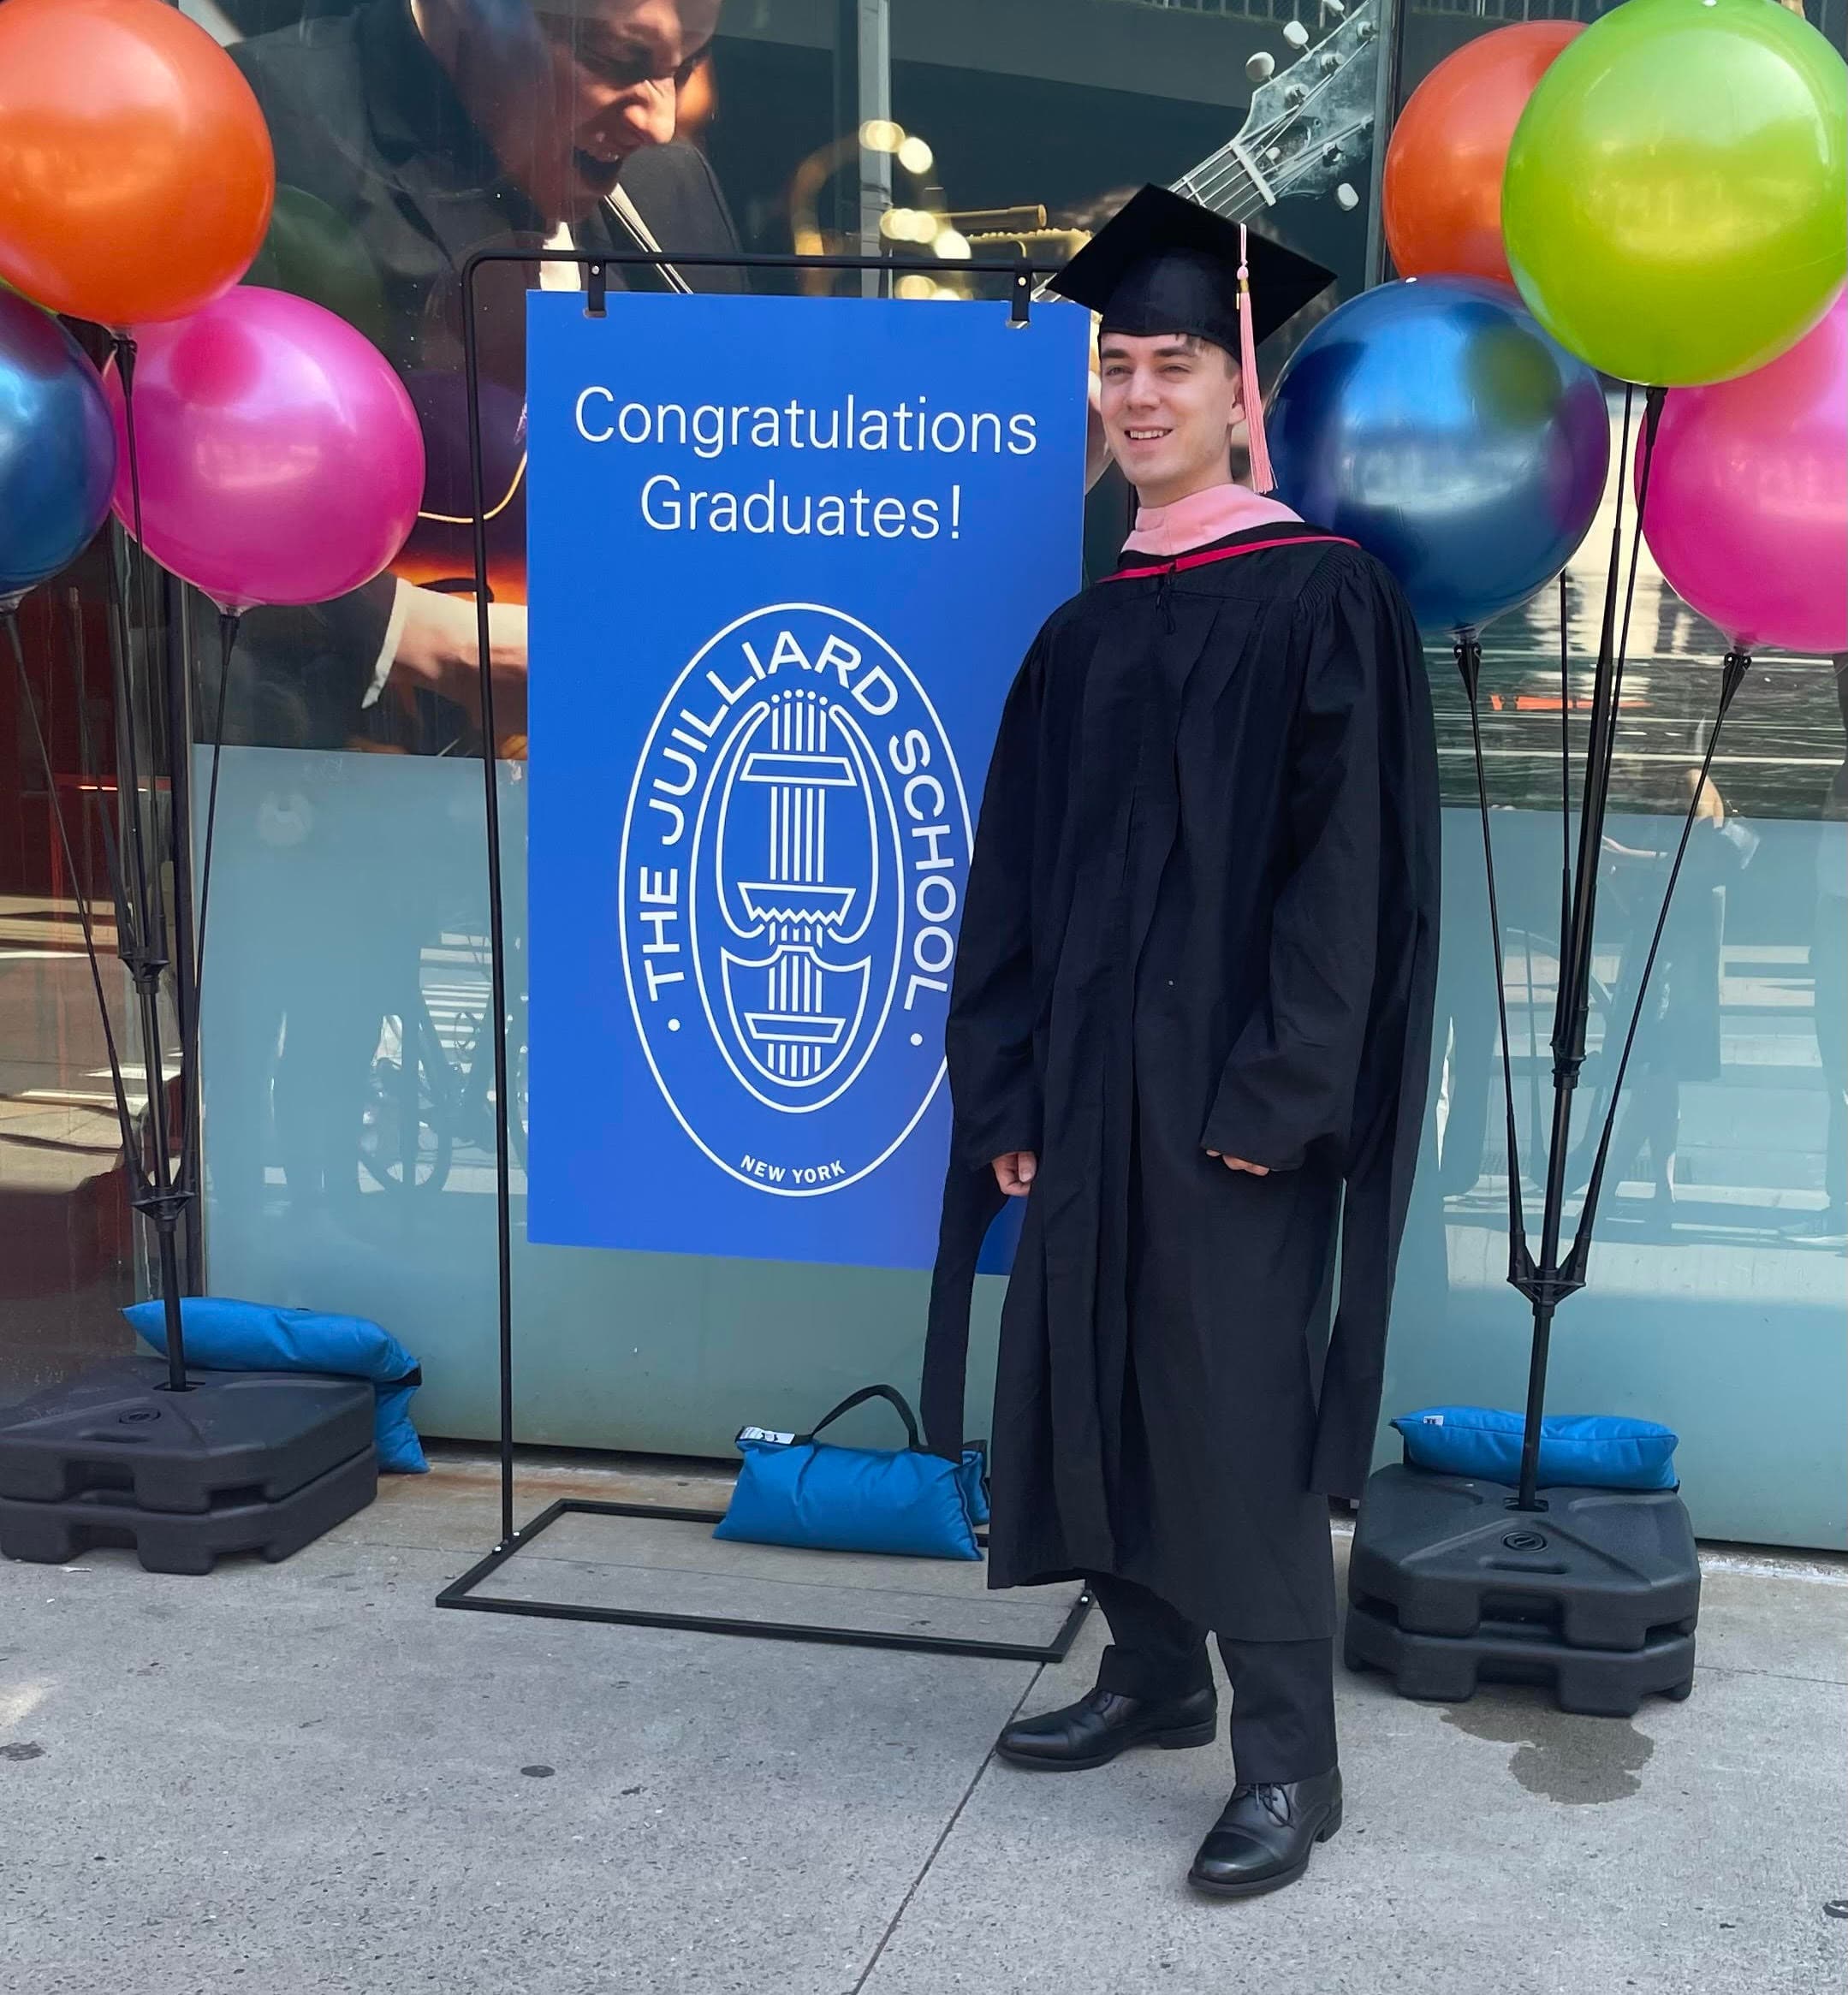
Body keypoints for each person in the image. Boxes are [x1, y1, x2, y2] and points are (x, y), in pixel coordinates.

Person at [937, 186, 1440, 1898]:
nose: (1132, 394)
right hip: (1084, 1092)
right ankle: (1148, 1673)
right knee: (1087, 1379)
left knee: (1229, 1415)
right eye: (1111, 364)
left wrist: (1282, 1095)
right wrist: (1003, 1086)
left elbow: (1341, 880)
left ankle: (1287, 1760)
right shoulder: (1084, 633)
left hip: (1230, 1109)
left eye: (1168, 365)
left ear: (1240, 384)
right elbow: (1009, 877)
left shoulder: (1318, 601)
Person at [219, 0, 740, 753]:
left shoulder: (673, 187)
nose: (660, 123)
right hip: (327, 776)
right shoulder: (270, 122)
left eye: (682, 69)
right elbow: (175, 475)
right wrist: (416, 636)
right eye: (619, 61)